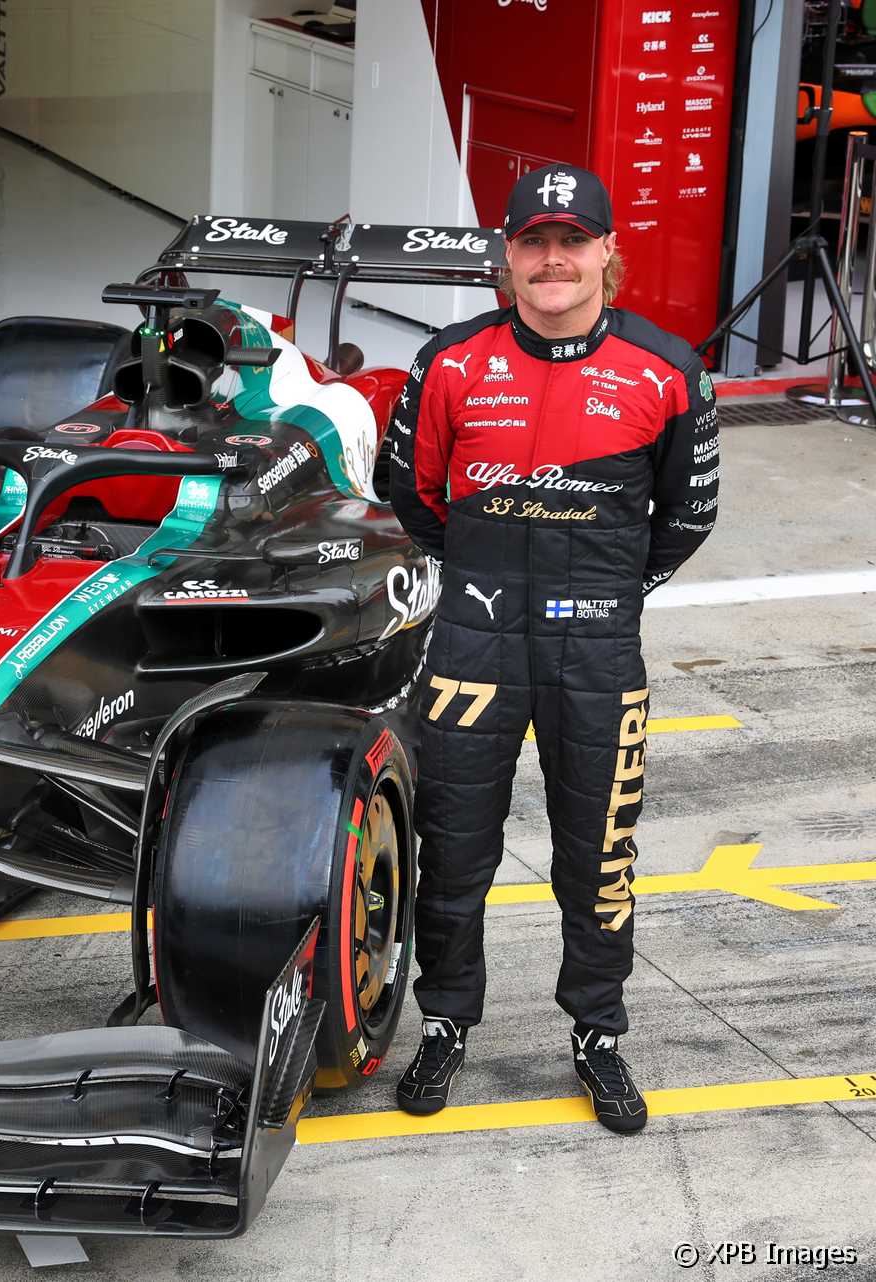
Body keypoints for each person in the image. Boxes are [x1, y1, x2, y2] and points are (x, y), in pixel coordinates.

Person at [382, 164, 719, 1132]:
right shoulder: (449, 360)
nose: (554, 259)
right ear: (509, 255)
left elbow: (687, 515)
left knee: (598, 855)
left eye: (573, 240)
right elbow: (416, 493)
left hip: (599, 655)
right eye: (534, 241)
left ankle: (598, 1035)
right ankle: (445, 1023)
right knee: (453, 855)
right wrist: (498, 583)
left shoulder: (667, 367)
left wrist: (603, 593)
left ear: (610, 251)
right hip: (473, 645)